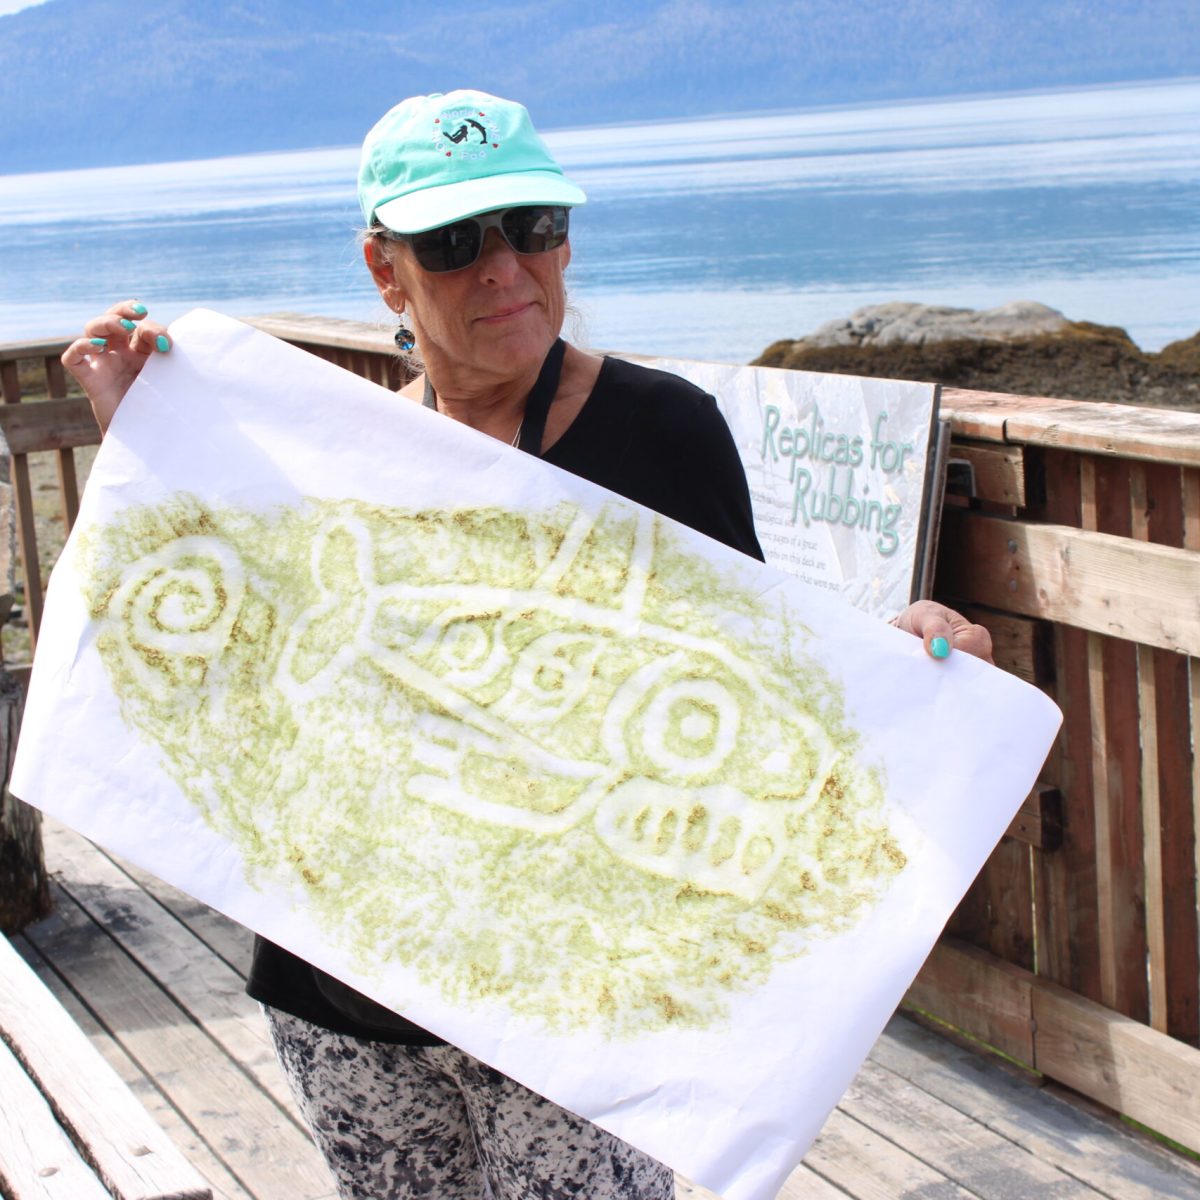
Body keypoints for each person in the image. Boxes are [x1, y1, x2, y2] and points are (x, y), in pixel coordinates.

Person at [64, 89, 992, 1200]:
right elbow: (244, 674)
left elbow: (763, 684)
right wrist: (147, 442)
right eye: (456, 242)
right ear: (385, 270)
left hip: (575, 1004)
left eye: (534, 227)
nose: (506, 267)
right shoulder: (336, 462)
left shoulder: (663, 431)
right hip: (347, 996)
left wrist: (901, 661)